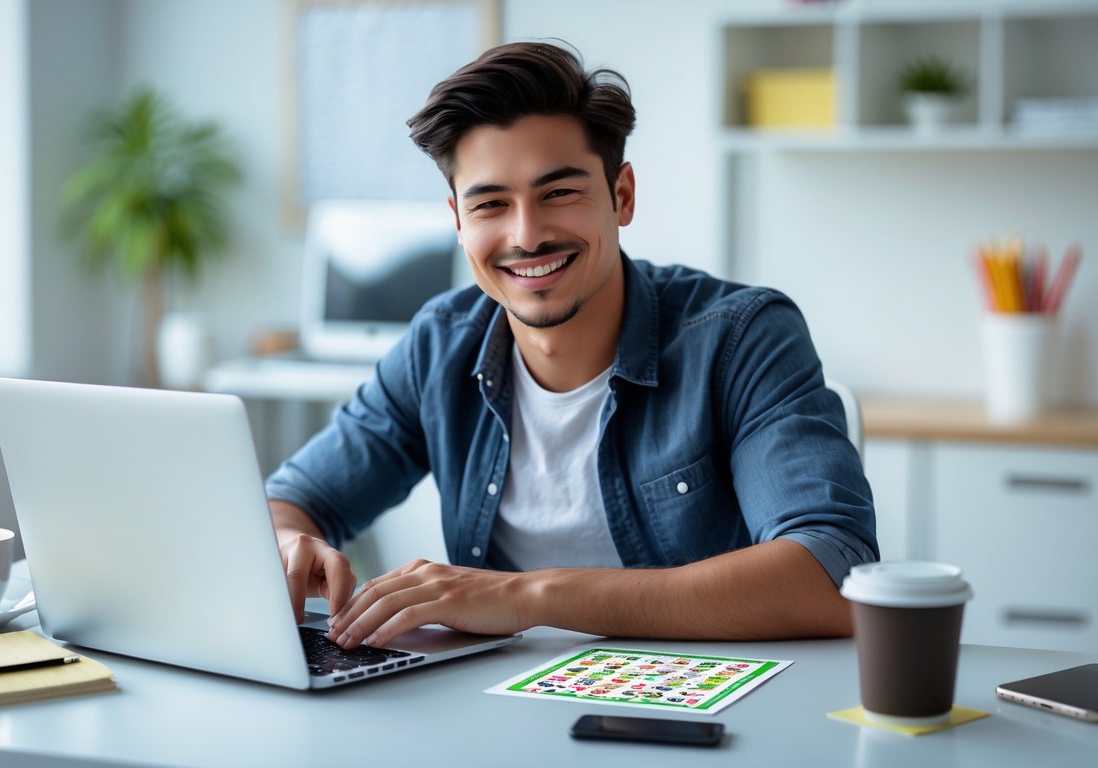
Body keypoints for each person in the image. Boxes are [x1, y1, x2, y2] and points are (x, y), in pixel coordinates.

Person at [267, 41, 877, 650]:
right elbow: (289, 502)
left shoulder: (742, 336)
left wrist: (526, 597)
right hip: (498, 712)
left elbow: (831, 573)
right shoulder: (439, 344)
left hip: (701, 711)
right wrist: (291, 545)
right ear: (457, 220)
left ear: (622, 196)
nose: (526, 235)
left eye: (559, 193)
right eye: (491, 204)